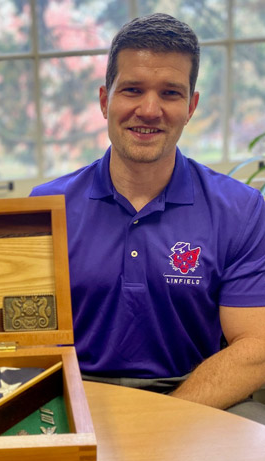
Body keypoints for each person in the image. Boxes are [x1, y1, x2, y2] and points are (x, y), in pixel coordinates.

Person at [30, 13, 265, 424]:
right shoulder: (47, 206)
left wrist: (160, 419)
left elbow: (255, 347)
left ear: (191, 106)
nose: (149, 109)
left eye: (170, 93)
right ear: (105, 100)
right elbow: (26, 343)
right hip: (80, 396)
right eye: (133, 90)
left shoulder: (241, 210)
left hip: (195, 394)